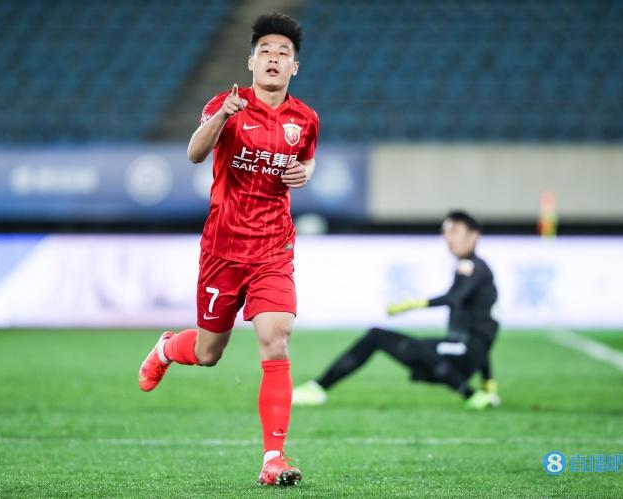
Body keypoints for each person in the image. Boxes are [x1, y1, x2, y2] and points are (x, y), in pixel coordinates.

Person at [137, 12, 318, 487]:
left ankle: (273, 459)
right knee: (208, 352)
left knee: (276, 335)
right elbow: (195, 154)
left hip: (274, 248)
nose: (274, 58)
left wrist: (304, 173)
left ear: (294, 67)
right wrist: (222, 117)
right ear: (251, 61)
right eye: (266, 51)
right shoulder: (226, 104)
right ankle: (166, 348)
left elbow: (307, 160)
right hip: (223, 248)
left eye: (283, 53)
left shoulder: (305, 119)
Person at [292, 210, 501, 410]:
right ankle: (317, 388)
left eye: (455, 231)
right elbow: (484, 331)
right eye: (445, 232)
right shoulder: (473, 269)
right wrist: (489, 381)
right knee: (379, 337)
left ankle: (472, 395)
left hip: (464, 351)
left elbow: (455, 301)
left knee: (419, 349)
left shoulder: (472, 267)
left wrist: (413, 305)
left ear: (474, 235)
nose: (448, 238)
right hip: (462, 349)